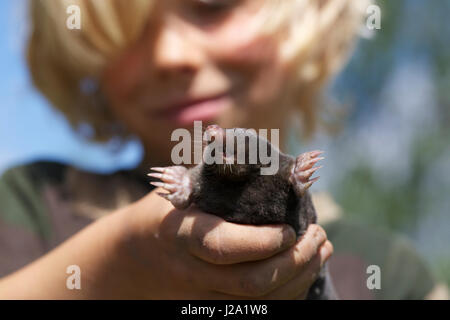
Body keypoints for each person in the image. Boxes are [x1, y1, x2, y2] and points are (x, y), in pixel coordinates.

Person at [0, 0, 443, 299]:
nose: (171, 55)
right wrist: (118, 264)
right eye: (129, 32)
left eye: (212, 4)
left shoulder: (392, 272)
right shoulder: (31, 201)